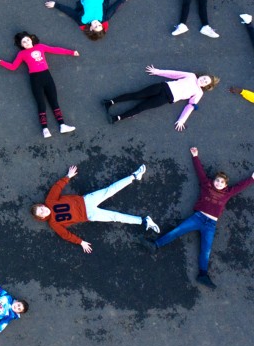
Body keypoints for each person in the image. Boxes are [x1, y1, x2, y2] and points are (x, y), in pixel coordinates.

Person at [148, 147, 254, 289]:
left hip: (210, 224)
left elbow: (241, 186)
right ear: (214, 180)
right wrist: (195, 156)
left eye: (222, 183)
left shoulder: (228, 193)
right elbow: (200, 172)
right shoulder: (207, 185)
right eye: (217, 180)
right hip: (198, 217)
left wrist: (252, 178)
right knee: (177, 231)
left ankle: (203, 275)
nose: (219, 183)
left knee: (206, 250)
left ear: (225, 185)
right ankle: (155, 245)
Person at [33, 164, 158, 253]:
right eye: (41, 213)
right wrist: (80, 242)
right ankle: (145, 221)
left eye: (41, 208)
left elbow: (57, 188)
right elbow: (65, 235)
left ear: (42, 205)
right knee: (115, 217)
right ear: (42, 218)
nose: (44, 210)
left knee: (110, 190)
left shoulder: (50, 200)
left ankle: (135, 176)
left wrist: (68, 176)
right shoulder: (53, 223)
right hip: (90, 215)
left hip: (86, 200)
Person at [0, 31, 78, 138]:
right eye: (24, 42)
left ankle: (62, 125)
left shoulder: (40, 47)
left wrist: (71, 52)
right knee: (41, 104)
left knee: (54, 102)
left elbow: (55, 49)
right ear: (21, 45)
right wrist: (0, 62)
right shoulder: (22, 54)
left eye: (27, 40)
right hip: (35, 79)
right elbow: (13, 67)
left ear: (31, 39)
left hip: (47, 77)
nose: (27, 42)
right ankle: (45, 129)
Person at [104, 65, 218, 130]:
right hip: (162, 87)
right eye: (204, 77)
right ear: (201, 75)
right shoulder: (191, 76)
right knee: (137, 95)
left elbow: (190, 106)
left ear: (206, 86)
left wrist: (182, 120)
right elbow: (174, 73)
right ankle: (110, 102)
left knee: (141, 108)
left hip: (166, 99)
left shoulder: (198, 93)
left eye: (205, 81)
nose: (203, 80)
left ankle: (117, 118)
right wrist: (158, 71)